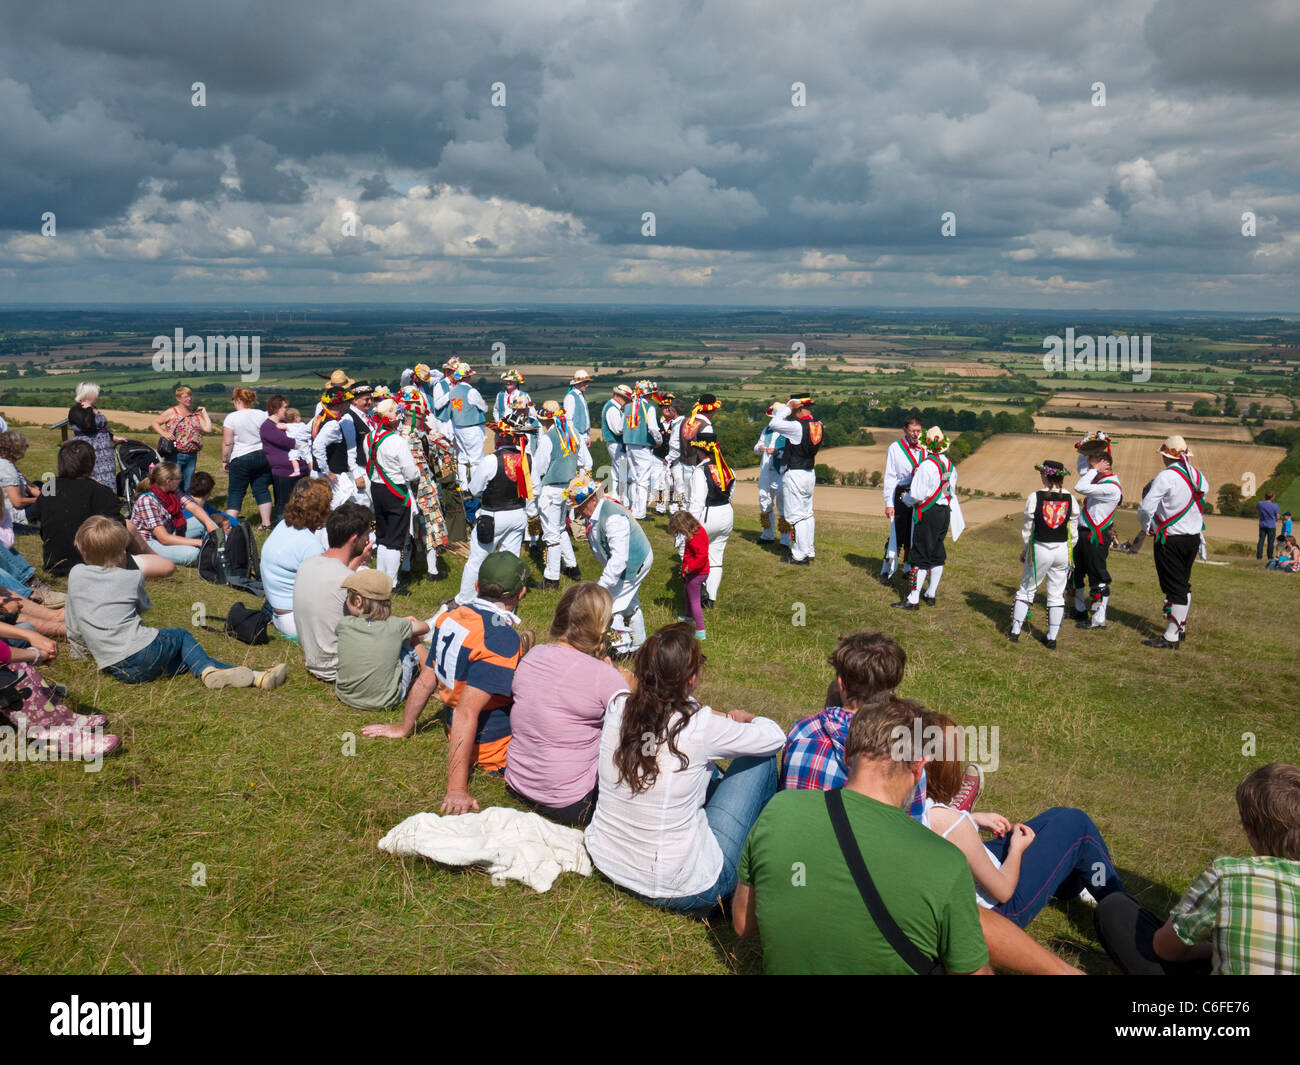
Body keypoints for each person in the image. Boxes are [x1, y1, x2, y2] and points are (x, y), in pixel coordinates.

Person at [733, 694, 990, 974]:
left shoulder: (778, 810)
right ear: (919, 767)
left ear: (847, 755)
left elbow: (743, 924)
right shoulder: (947, 862)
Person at [585, 623, 784, 917]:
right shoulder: (700, 725)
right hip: (683, 886)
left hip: (606, 861)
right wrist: (748, 718)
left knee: (704, 770)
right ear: (691, 680)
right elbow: (775, 738)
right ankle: (749, 885)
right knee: (760, 760)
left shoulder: (618, 706)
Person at [921, 710, 1125, 928]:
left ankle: (1073, 879)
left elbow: (942, 831)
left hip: (965, 879)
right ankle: (1121, 910)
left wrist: (973, 819)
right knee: (1077, 825)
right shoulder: (952, 824)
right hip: (1000, 911)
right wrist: (1016, 850)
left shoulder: (904, 803)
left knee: (1054, 818)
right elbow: (1003, 891)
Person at [362, 551, 530, 816]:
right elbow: (466, 711)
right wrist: (456, 789)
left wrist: (405, 727)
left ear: (476, 586)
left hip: (455, 730)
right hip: (493, 749)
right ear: (520, 594)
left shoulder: (450, 617)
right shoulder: (499, 637)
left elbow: (425, 681)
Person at [1094, 762, 1300, 975]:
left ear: (1250, 830)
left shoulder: (1228, 874)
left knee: (1115, 909)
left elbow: (1164, 949)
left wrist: (1210, 950)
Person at [65, 516, 287, 691]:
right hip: (142, 650)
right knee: (181, 636)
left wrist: (78, 651)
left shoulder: (75, 574)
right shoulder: (132, 577)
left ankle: (256, 677)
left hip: (118, 668)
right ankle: (218, 672)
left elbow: (72, 620)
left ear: (84, 553)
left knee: (189, 660)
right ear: (123, 552)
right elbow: (144, 607)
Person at [505, 582, 629, 827]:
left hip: (517, 783)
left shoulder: (532, 656)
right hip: (570, 803)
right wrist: (629, 691)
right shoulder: (604, 678)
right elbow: (639, 728)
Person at [28, 440, 174, 581]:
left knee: (126, 525)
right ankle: (154, 556)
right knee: (167, 566)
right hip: (98, 565)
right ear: (91, 464)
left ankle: (152, 555)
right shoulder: (102, 492)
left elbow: (35, 517)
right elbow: (119, 534)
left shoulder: (49, 487)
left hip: (54, 564)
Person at [1132, 435, 1210, 649]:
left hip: (1171, 538)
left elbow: (1146, 508)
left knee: (1174, 587)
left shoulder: (1166, 477)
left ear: (1165, 456)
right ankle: (1180, 627)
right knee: (1183, 584)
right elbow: (1205, 491)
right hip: (1193, 537)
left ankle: (1171, 636)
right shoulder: (1197, 475)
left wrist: (1147, 526)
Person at [565, 473, 653, 654]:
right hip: (627, 563)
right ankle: (639, 645)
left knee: (609, 605)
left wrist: (601, 587)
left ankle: (622, 649)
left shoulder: (613, 518)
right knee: (628, 603)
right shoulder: (597, 513)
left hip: (633, 563)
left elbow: (620, 559)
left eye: (580, 507)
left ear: (592, 500)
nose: (578, 512)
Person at [457, 407, 533, 604]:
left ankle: (464, 600)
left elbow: (474, 489)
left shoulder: (491, 460)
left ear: (499, 438)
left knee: (477, 559)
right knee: (510, 559)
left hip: (492, 515)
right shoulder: (526, 459)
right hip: (518, 514)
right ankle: (507, 600)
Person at [294, 503, 374, 682]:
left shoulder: (306, 565)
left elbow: (337, 579)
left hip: (313, 660)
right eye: (366, 536)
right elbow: (373, 627)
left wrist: (357, 560)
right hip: (338, 669)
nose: (368, 541)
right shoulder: (351, 583)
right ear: (354, 539)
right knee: (405, 643)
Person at [334, 569, 430, 711]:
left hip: (346, 695)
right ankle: (431, 678)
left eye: (348, 597)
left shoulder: (344, 624)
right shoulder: (396, 625)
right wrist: (407, 624)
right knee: (412, 638)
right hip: (386, 700)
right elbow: (425, 627)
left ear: (358, 601)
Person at [1007, 460, 1078, 649]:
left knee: (1027, 589)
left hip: (1040, 548)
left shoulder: (1035, 497)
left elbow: (1028, 528)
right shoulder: (1071, 499)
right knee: (1056, 594)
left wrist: (1025, 549)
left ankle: (1015, 631)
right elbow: (1073, 532)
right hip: (1062, 550)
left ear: (1045, 475)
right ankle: (1052, 638)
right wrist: (1069, 554)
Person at [260, 478, 334, 638]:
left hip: (276, 609)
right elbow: (326, 591)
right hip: (295, 620)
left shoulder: (284, 526)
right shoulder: (309, 545)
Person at [894, 426, 957, 609]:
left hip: (928, 513)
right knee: (937, 553)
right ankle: (931, 594)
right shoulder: (951, 466)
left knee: (920, 554)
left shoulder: (927, 466)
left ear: (928, 446)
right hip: (944, 512)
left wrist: (905, 498)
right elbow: (950, 490)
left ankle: (913, 599)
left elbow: (917, 495)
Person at [1070, 430, 1121, 629]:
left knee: (1098, 577)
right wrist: (1088, 447)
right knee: (1076, 572)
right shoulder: (1097, 479)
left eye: (1093, 463)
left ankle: (1099, 619)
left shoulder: (1111, 487)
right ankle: (1080, 610)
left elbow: (1080, 486)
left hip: (1096, 537)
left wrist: (1094, 467)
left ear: (1102, 465)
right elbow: (1083, 470)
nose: (1088, 467)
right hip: (1083, 534)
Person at [366, 398, 419, 584]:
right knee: (395, 539)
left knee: (382, 535)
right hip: (396, 491)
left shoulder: (369, 437)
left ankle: (381, 576)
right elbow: (411, 473)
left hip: (376, 488)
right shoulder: (398, 441)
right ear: (394, 419)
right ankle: (392, 582)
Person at [532, 401, 584, 589]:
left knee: (551, 534)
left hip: (551, 489)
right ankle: (572, 567)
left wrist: (534, 494)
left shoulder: (549, 438)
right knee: (561, 528)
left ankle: (551, 578)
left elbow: (538, 468)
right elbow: (586, 460)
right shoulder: (574, 434)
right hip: (568, 489)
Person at [129, 462, 221, 565]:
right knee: (193, 553)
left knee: (202, 520)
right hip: (148, 543)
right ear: (169, 481)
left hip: (167, 532)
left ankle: (222, 545)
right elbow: (163, 538)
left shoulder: (172, 491)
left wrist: (208, 523)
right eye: (179, 478)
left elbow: (194, 507)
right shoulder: (147, 501)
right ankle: (215, 552)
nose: (181, 480)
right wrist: (200, 543)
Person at [767, 394, 822, 565]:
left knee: (796, 516)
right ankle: (808, 550)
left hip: (795, 473)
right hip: (809, 471)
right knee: (807, 514)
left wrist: (787, 408)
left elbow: (773, 423)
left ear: (797, 408)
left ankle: (799, 554)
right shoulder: (818, 425)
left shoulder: (797, 426)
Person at [689, 428, 735, 607]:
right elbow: (730, 494)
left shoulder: (700, 471)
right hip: (726, 513)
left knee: (696, 555)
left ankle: (699, 592)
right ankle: (711, 599)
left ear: (701, 450)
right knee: (716, 557)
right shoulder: (728, 469)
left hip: (708, 515)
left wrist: (689, 526)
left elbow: (697, 502)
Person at [880, 415, 926, 584]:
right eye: (913, 431)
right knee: (897, 535)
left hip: (918, 497)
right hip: (900, 495)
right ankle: (886, 571)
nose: (916, 434)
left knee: (913, 535)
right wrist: (889, 503)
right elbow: (890, 477)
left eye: (919, 431)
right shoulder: (895, 448)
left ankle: (908, 569)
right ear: (905, 430)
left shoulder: (925, 448)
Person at [222, 387, 273, 530]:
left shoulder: (231, 417)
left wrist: (225, 460)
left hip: (240, 457)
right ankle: (266, 523)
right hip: (262, 455)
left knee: (236, 492)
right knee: (261, 489)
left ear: (238, 400)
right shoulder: (262, 415)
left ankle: (230, 525)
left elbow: (228, 442)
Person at [312, 386, 367, 510]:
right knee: (360, 504)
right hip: (333, 475)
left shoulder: (320, 417)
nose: (348, 405)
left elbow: (305, 436)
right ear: (340, 404)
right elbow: (317, 447)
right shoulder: (333, 424)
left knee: (332, 507)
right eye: (346, 402)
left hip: (323, 473)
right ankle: (370, 528)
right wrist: (326, 471)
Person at [151, 385, 212, 492]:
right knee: (173, 484)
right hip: (175, 454)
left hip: (191, 455)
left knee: (188, 486)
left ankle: (185, 508)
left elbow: (208, 429)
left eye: (190, 396)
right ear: (178, 399)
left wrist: (204, 413)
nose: (189, 399)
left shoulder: (195, 415)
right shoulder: (172, 412)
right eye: (185, 397)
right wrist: (164, 433)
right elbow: (155, 422)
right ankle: (172, 506)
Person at [619, 379, 663, 520]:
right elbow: (653, 428)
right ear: (648, 395)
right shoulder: (649, 408)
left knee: (634, 478)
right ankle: (640, 512)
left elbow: (620, 428)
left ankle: (633, 508)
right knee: (644, 480)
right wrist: (659, 441)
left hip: (629, 445)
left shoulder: (627, 407)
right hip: (643, 446)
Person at [260, 394, 306, 524]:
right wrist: (302, 443)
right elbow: (287, 442)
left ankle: (301, 525)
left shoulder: (286, 424)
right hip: (283, 471)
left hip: (299, 468)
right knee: (284, 502)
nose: (287, 410)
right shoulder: (267, 427)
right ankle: (283, 526)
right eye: (285, 407)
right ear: (276, 408)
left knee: (301, 500)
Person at [448, 363, 489, 491]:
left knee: (462, 457)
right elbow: (484, 408)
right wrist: (484, 405)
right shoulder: (471, 391)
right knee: (476, 459)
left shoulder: (452, 391)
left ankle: (463, 486)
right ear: (467, 377)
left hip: (458, 427)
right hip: (472, 427)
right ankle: (476, 488)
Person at [668, 510, 708, 639]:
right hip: (693, 572)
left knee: (694, 600)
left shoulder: (696, 536)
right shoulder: (695, 532)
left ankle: (700, 630)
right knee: (687, 593)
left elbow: (702, 556)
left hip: (697, 573)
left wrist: (689, 568)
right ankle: (688, 617)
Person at [754, 409, 788, 546]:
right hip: (766, 471)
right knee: (764, 501)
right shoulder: (766, 430)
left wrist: (777, 452)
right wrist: (759, 447)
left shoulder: (788, 431)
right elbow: (756, 447)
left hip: (782, 472)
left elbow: (791, 453)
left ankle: (785, 540)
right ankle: (767, 535)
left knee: (783, 506)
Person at [0, 430, 40, 540]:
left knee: (39, 484)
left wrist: (42, 493)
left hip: (14, 505)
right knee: (44, 503)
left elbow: (29, 485)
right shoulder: (7, 469)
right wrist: (39, 500)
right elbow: (17, 502)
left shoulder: (7, 463)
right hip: (15, 514)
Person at [600, 384, 631, 504]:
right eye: (626, 399)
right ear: (619, 397)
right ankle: (624, 500)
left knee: (616, 471)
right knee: (622, 471)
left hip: (615, 443)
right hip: (615, 442)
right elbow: (617, 430)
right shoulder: (612, 409)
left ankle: (615, 496)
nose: (626, 402)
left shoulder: (613, 407)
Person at [563, 370, 594, 458]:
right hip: (577, 435)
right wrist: (574, 437)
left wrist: (587, 436)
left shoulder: (581, 396)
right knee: (586, 463)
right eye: (585, 383)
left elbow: (586, 417)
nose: (587, 385)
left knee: (583, 463)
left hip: (583, 434)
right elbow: (568, 420)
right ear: (578, 383)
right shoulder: (570, 397)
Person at [1257, 490, 1281, 561]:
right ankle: (1270, 557)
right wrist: (1275, 520)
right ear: (1272, 497)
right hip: (1271, 525)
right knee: (1270, 542)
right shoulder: (1275, 506)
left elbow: (1258, 510)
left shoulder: (1260, 503)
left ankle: (1259, 556)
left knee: (1261, 540)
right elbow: (1277, 516)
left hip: (1262, 524)